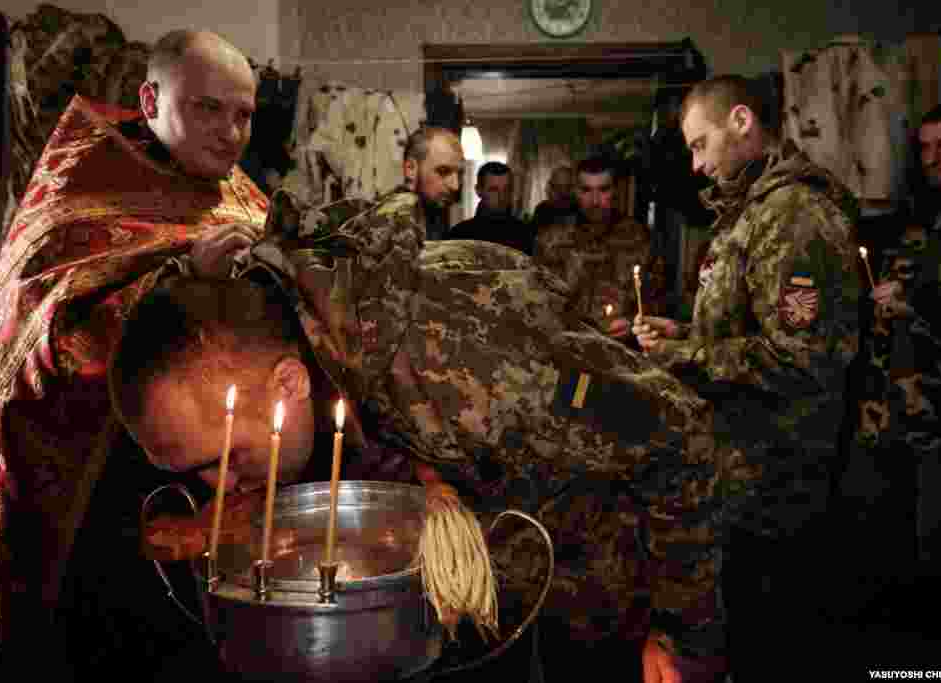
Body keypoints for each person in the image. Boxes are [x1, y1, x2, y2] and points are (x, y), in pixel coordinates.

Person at [219, 126, 734, 679]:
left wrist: (681, 632)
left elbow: (675, 436)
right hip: (540, 584)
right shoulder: (353, 343)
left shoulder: (467, 346)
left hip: (617, 588)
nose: (224, 482)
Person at [0, 28, 269, 676]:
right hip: (106, 491)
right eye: (208, 108)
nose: (231, 132)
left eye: (245, 114)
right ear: (150, 99)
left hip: (222, 484)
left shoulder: (241, 194)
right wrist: (174, 281)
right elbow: (38, 338)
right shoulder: (77, 190)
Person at [632, 75, 865, 681]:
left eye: (699, 143)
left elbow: (800, 358)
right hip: (738, 476)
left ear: (741, 121)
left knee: (774, 646)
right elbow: (742, 330)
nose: (697, 162)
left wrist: (680, 359)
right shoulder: (751, 211)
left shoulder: (796, 216)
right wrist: (682, 334)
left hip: (779, 486)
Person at [852, 101, 941, 644]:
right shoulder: (914, 219)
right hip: (891, 421)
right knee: (890, 565)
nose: (933, 158)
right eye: (925, 147)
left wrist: (923, 303)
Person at [534, 156, 663, 344]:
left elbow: (658, 299)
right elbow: (536, 299)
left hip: (623, 350)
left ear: (615, 191)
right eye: (586, 190)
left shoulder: (639, 238)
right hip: (567, 349)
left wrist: (633, 321)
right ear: (575, 191)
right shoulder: (551, 240)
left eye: (603, 190)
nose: (595, 200)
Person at [446, 161, 534, 255]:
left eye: (506, 190)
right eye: (494, 190)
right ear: (478, 191)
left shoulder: (524, 234)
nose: (502, 197)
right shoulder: (459, 235)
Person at [530, 164, 578, 240]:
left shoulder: (582, 209)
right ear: (550, 187)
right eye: (558, 187)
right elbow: (534, 239)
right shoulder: (542, 209)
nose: (563, 192)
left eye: (567, 187)